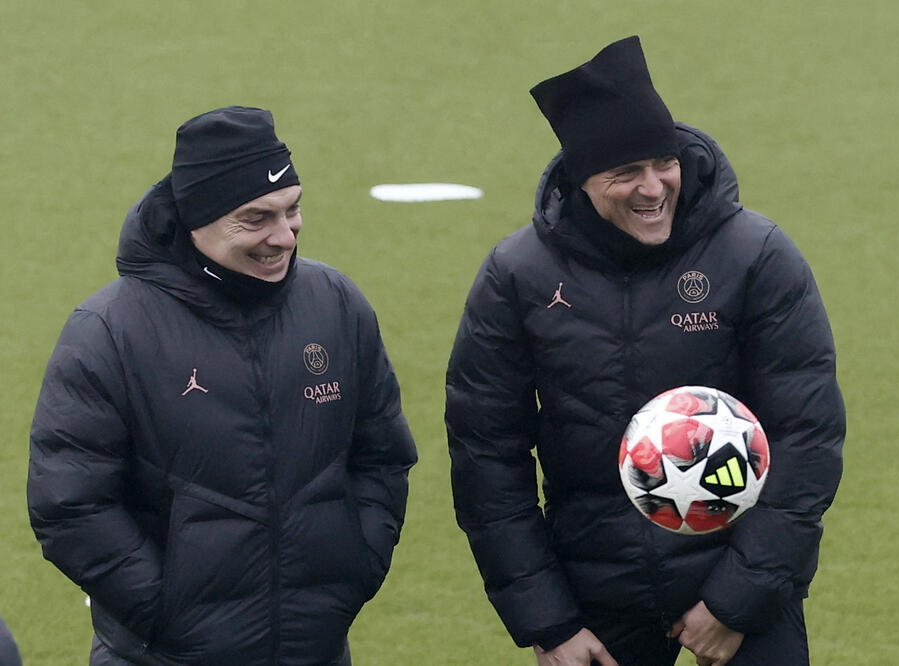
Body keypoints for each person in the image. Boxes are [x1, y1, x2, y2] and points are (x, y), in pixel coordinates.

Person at [445, 36, 844, 666]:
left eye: (664, 163)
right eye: (625, 173)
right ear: (582, 179)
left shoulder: (757, 257)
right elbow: (487, 456)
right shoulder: (517, 275)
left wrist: (736, 602)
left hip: (743, 586)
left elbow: (808, 437)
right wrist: (549, 622)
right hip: (594, 599)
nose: (653, 187)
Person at [28, 106, 417, 665]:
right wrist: (168, 613)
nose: (284, 236)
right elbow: (70, 504)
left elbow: (382, 457)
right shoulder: (110, 331)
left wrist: (356, 568)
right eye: (256, 218)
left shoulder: (336, 305)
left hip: (316, 650)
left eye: (292, 209)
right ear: (196, 218)